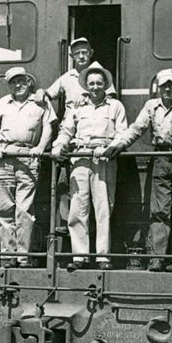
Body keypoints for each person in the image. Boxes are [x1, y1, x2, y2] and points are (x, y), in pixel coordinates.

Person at [103, 68, 172, 272]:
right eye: (164, 85)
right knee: (159, 210)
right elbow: (137, 128)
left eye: (171, 85)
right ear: (158, 88)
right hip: (161, 158)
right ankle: (157, 257)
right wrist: (118, 145)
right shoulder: (151, 106)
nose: (167, 89)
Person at [51, 64, 127, 271]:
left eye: (99, 83)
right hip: (80, 159)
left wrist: (112, 147)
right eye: (91, 83)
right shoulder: (77, 108)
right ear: (86, 85)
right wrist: (58, 148)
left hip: (104, 160)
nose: (95, 87)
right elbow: (65, 131)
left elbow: (122, 133)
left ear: (105, 86)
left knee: (103, 209)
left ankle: (103, 257)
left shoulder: (115, 107)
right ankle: (80, 256)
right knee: (78, 208)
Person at [0, 66, 56, 267]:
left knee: (24, 210)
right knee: (3, 209)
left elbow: (49, 127)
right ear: (9, 85)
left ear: (28, 82)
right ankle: (8, 257)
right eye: (13, 82)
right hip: (4, 159)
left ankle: (23, 257)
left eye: (21, 81)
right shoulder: (2, 103)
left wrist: (41, 147)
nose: (17, 85)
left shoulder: (40, 103)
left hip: (28, 158)